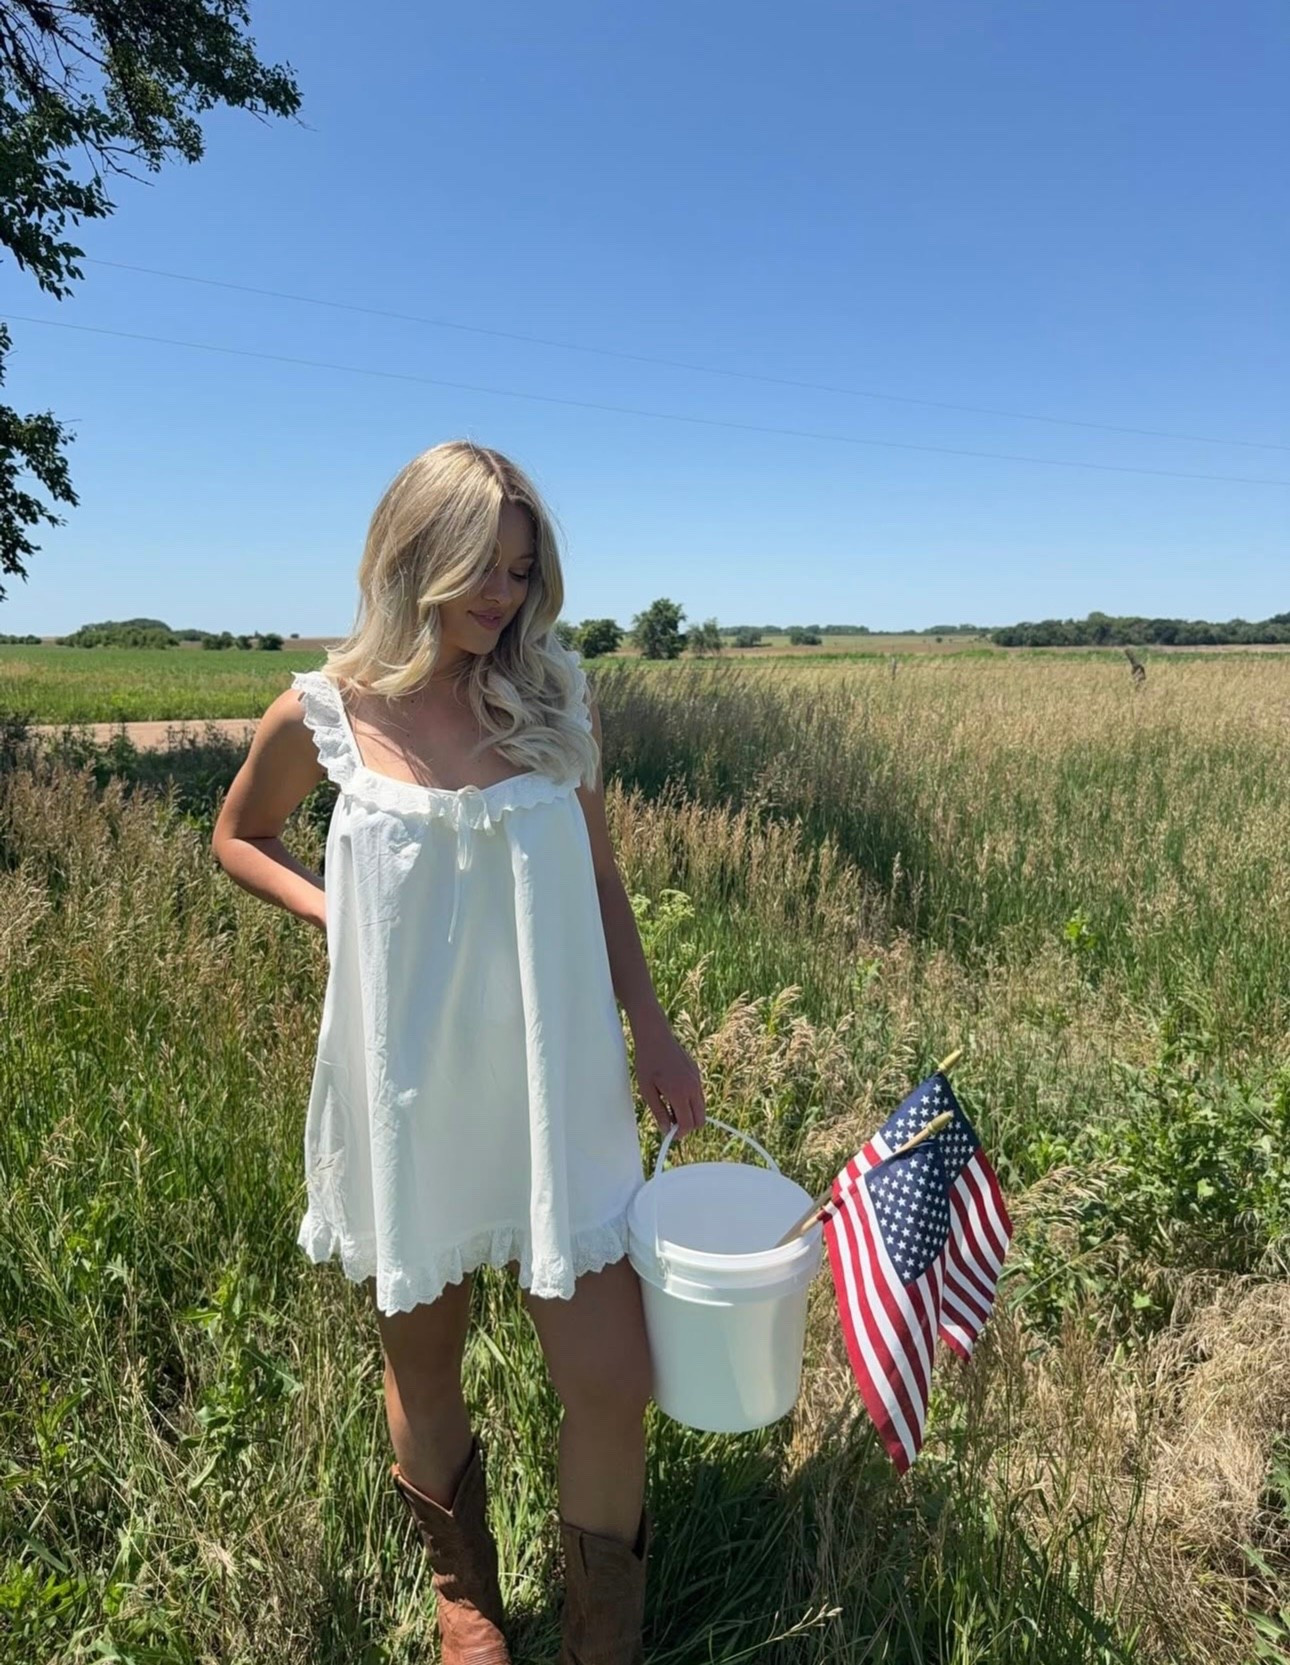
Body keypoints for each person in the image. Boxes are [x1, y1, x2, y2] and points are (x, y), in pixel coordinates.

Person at [211, 439, 707, 1665]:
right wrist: (343, 916)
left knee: (607, 1373)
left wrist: (655, 1032)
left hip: (559, 1082)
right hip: (409, 1090)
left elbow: (598, 878)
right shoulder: (321, 712)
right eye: (483, 567)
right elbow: (239, 836)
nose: (504, 597)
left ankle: (602, 1636)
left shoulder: (553, 699)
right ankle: (466, 1600)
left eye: (523, 572)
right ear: (412, 553)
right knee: (425, 1360)